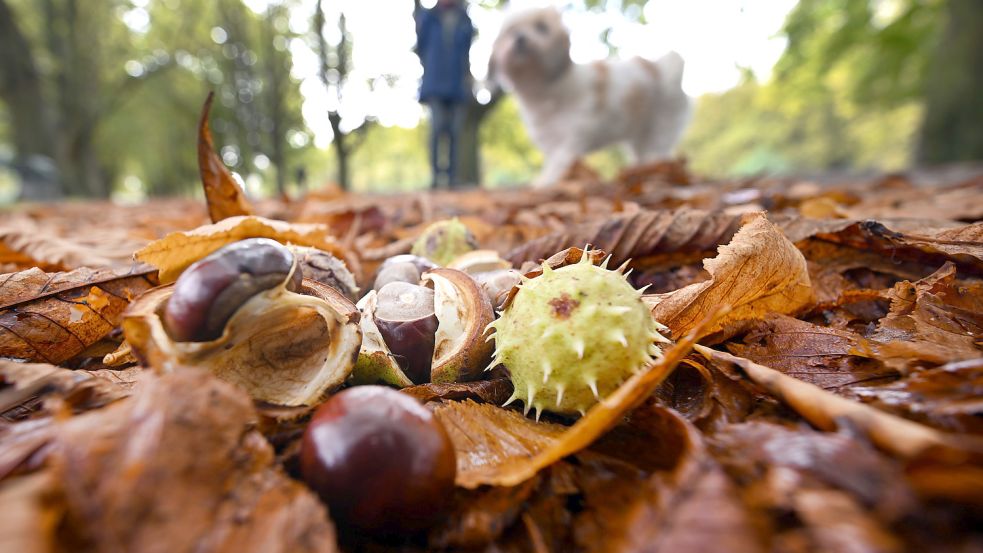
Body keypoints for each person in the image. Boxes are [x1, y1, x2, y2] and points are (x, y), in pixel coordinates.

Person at [415, 0, 474, 188]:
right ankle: (436, 177)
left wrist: (467, 78)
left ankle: (451, 178)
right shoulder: (428, 18)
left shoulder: (465, 19)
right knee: (437, 127)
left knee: (455, 132)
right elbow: (421, 47)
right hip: (435, 82)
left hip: (458, 83)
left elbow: (466, 51)